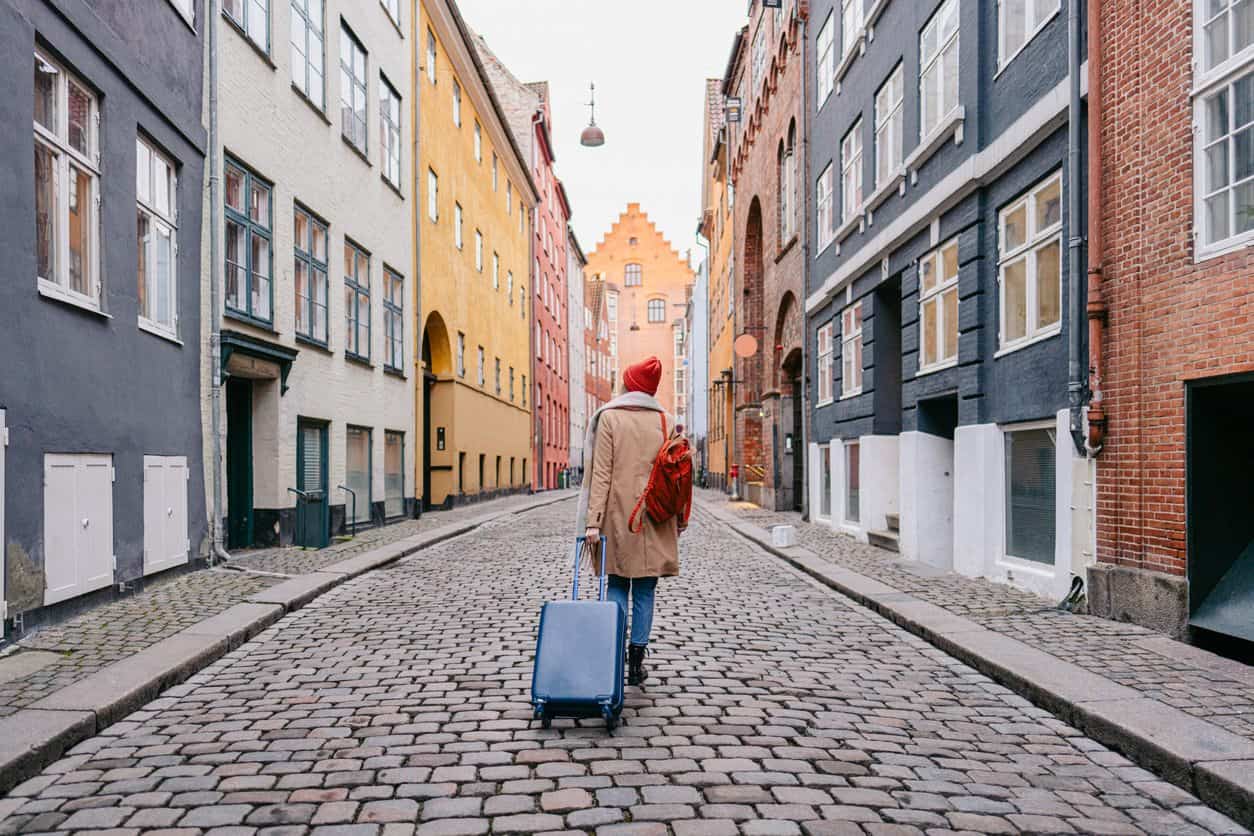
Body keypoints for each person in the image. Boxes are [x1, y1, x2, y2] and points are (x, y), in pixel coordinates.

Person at [575, 356, 681, 686]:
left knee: (618, 584)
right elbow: (675, 475)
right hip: (656, 518)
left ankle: (614, 653)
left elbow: (601, 474)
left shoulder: (609, 418)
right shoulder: (666, 420)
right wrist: (679, 517)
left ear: (628, 384)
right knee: (646, 591)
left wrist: (592, 521)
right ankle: (637, 663)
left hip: (619, 517)